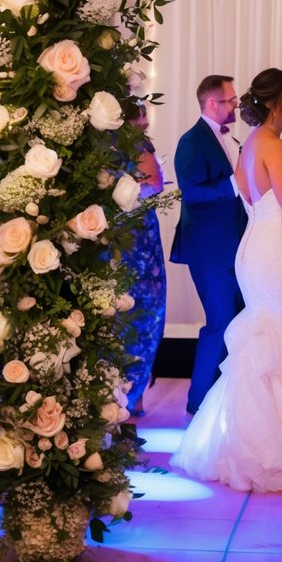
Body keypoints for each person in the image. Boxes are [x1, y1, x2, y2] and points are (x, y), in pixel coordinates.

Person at [170, 68, 282, 491]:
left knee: (267, 342)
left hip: (256, 246)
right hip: (276, 253)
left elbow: (266, 202)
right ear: (275, 102)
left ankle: (270, 444)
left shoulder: (250, 144)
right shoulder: (273, 144)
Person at [171, 74, 249, 414]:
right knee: (219, 322)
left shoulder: (231, 139)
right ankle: (198, 404)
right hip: (210, 251)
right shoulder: (192, 141)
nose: (236, 104)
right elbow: (192, 193)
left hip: (236, 246)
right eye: (231, 100)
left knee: (238, 322)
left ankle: (226, 400)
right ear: (212, 103)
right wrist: (234, 182)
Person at [120, 101, 167, 417]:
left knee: (144, 315)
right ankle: (126, 394)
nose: (146, 122)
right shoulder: (118, 148)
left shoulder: (140, 146)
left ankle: (133, 393)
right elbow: (153, 184)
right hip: (126, 241)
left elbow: (155, 185)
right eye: (140, 116)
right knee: (132, 316)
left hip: (139, 238)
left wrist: (122, 191)